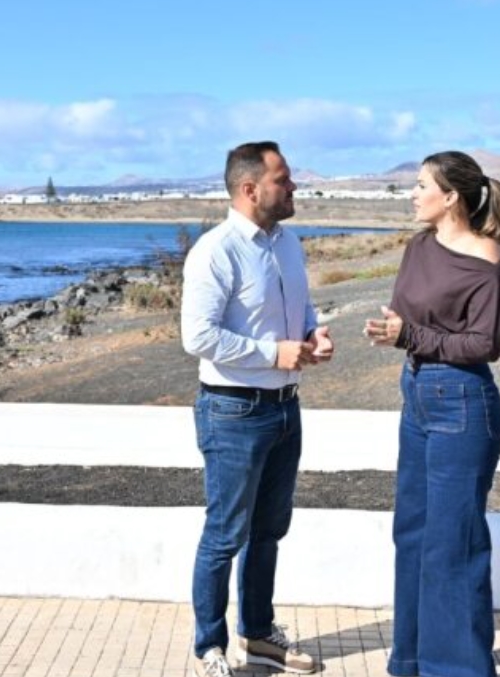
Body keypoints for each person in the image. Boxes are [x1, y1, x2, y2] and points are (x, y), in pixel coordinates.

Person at [182, 141, 332, 677]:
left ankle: (259, 634)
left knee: (269, 531)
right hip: (233, 412)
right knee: (225, 535)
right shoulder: (215, 251)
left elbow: (300, 305)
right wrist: (274, 353)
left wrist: (313, 333)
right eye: (283, 179)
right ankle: (209, 647)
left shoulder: (288, 243)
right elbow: (197, 337)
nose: (293, 187)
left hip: (286, 408)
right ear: (250, 189)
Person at [364, 151, 500, 677]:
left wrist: (411, 335)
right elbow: (413, 319)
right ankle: (410, 662)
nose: (412, 193)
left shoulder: (486, 257)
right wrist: (395, 331)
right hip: (417, 392)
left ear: (450, 197)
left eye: (421, 184)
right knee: (413, 536)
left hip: (462, 404)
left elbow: (485, 343)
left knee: (453, 545)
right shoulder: (419, 246)